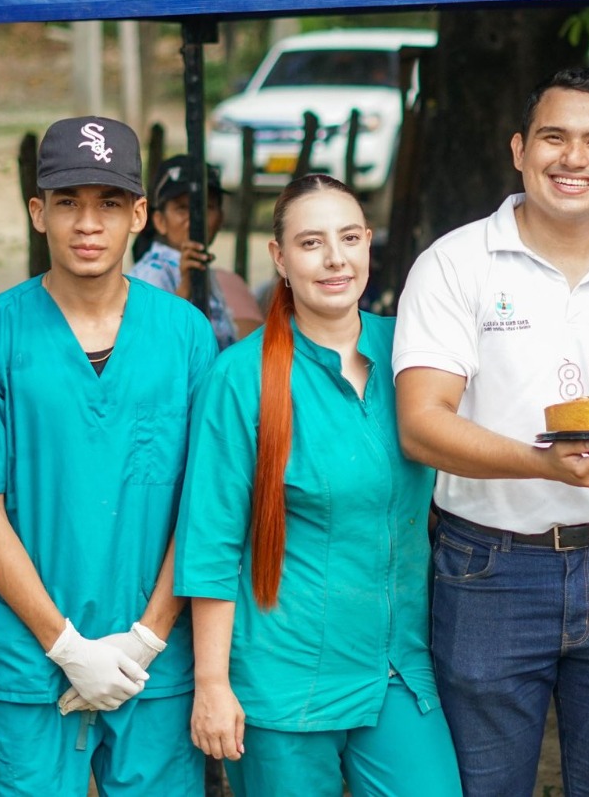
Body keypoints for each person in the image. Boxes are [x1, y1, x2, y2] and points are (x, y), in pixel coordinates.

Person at [393, 67, 589, 796]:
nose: (575, 157)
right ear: (519, 149)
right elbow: (421, 426)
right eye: (554, 137)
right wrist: (544, 464)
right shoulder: (454, 262)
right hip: (487, 570)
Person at [0, 116, 216, 795]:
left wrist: (147, 637)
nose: (88, 223)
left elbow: (206, 502)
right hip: (29, 659)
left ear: (139, 214)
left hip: (154, 660)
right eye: (68, 202)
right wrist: (65, 646)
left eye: (110, 203)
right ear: (38, 212)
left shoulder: (184, 335)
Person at [176, 175, 462, 796]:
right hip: (284, 681)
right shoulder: (240, 377)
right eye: (311, 243)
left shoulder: (412, 352)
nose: (336, 259)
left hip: (396, 669)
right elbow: (212, 543)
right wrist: (212, 685)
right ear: (279, 258)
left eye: (350, 238)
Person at [130, 156, 264, 348]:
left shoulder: (204, 268)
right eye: (182, 209)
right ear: (160, 221)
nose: (195, 219)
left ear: (220, 218)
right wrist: (185, 288)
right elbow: (149, 346)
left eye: (206, 207)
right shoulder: (150, 274)